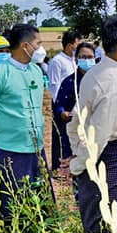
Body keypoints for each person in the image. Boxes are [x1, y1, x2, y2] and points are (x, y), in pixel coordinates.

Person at [68, 16, 117, 233]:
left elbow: (77, 119)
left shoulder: (101, 73)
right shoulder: (114, 83)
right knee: (109, 225)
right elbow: (99, 135)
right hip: (108, 159)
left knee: (101, 220)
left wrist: (76, 150)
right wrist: (79, 166)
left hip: (106, 156)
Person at [0, 24, 52, 223]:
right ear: (25, 46)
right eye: (38, 44)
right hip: (9, 150)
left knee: (43, 200)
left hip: (36, 148)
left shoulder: (35, 71)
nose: (41, 48)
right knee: (13, 203)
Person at [53, 42, 96, 177]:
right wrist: (62, 113)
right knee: (77, 168)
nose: (87, 60)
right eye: (83, 57)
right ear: (76, 59)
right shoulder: (69, 82)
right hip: (75, 131)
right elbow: (58, 105)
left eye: (90, 57)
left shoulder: (100, 80)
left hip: (95, 130)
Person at [48, 30, 83, 171]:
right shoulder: (57, 61)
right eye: (77, 44)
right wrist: (60, 108)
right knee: (61, 136)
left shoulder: (75, 60)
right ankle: (59, 165)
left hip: (75, 103)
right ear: (69, 45)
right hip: (63, 104)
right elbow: (54, 85)